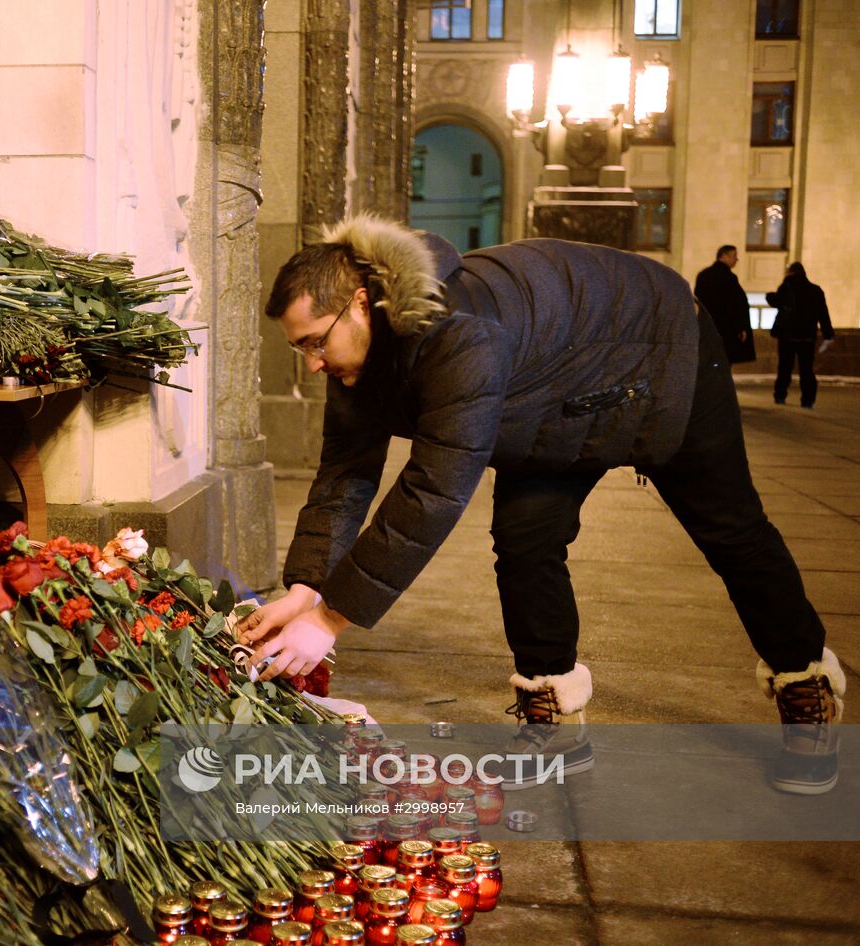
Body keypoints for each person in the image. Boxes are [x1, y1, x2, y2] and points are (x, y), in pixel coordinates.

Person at [238, 213, 844, 795]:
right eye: (301, 349)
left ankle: (806, 688)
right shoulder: (356, 362)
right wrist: (307, 588)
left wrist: (331, 620)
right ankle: (550, 713)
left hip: (659, 351)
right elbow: (345, 474)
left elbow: (433, 488)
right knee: (526, 541)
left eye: (316, 342)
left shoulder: (460, 331)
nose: (313, 363)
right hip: (552, 399)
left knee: (732, 533)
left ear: (362, 304)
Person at [766, 262, 834, 408]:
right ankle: (808, 400)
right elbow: (823, 314)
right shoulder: (815, 290)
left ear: (790, 273)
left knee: (784, 367)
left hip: (787, 335)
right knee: (807, 369)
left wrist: (769, 296)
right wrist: (828, 334)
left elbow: (776, 301)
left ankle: (780, 395)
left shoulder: (787, 287)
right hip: (807, 336)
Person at [693, 244, 755, 364]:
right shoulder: (729, 278)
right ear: (723, 256)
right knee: (724, 361)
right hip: (727, 329)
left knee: (708, 362)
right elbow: (735, 305)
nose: (736, 260)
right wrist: (740, 327)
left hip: (707, 326)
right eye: (734, 256)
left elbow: (699, 300)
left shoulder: (704, 275)